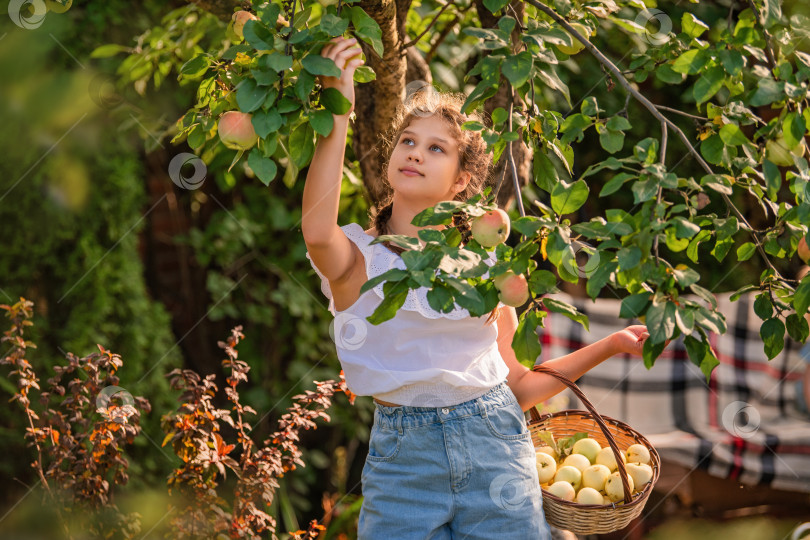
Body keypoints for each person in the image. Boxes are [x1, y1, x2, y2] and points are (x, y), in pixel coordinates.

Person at [301, 36, 652, 540]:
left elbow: (519, 386)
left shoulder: (485, 271)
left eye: (435, 148)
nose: (415, 154)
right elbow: (316, 231)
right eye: (408, 142)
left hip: (494, 445)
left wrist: (609, 346)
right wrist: (337, 118)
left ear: (462, 181)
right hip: (404, 464)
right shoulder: (362, 261)